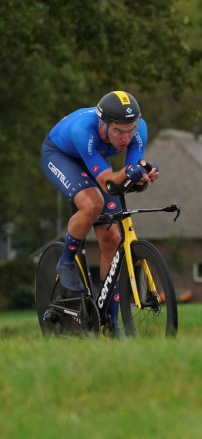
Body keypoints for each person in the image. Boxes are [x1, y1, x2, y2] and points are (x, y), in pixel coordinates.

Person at [40, 91, 159, 336]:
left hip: (94, 161)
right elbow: (107, 181)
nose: (126, 138)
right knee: (93, 203)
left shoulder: (138, 130)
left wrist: (143, 175)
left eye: (130, 130)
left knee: (112, 239)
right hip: (62, 156)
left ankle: (112, 324)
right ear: (103, 126)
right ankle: (65, 263)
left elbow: (131, 169)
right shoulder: (85, 130)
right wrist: (129, 175)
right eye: (118, 131)